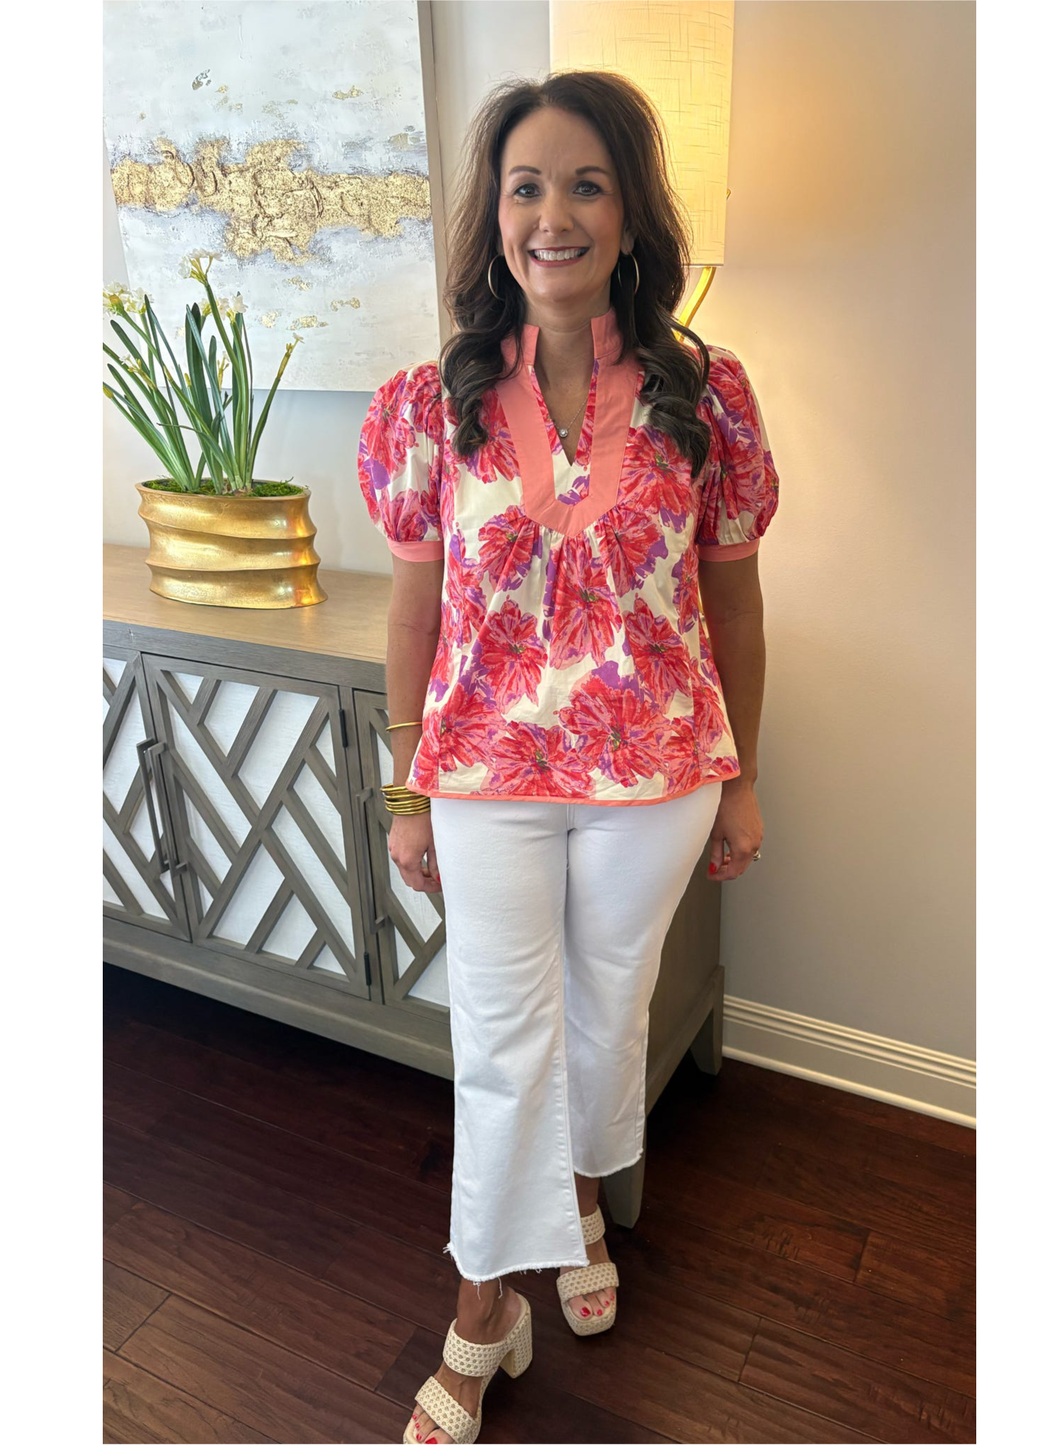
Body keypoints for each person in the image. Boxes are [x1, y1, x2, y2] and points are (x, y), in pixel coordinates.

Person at [356, 69, 778, 1445]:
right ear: (495, 221)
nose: (555, 212)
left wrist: (747, 773)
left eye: (587, 182)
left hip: (658, 777)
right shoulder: (432, 405)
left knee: (608, 1019)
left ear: (630, 212)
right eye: (528, 185)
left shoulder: (703, 397)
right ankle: (486, 1312)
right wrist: (406, 784)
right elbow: (413, 607)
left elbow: (736, 599)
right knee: (498, 1042)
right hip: (485, 778)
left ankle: (585, 1201)